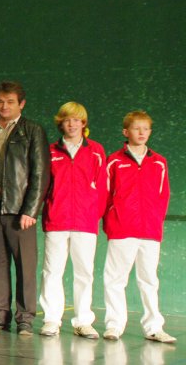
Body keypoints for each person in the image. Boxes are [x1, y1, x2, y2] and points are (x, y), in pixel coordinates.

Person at [102, 111, 176, 343]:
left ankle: (154, 327)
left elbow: (163, 196)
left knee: (149, 280)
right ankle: (114, 325)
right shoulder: (113, 161)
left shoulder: (160, 162)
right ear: (126, 132)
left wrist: (154, 222)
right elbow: (105, 195)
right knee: (115, 279)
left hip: (150, 231)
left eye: (146, 128)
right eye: (136, 128)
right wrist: (112, 223)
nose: (142, 132)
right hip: (122, 230)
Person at [0, 81, 50, 335]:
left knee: (25, 266)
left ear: (21, 104)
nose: (4, 106)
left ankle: (25, 317)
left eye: (10, 101)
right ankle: (0, 313)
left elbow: (40, 173)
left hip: (20, 211)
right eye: (0, 101)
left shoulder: (32, 130)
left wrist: (30, 210)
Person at [39, 102, 106, 338]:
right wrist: (48, 211)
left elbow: (103, 188)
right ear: (61, 123)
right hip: (56, 221)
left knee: (84, 273)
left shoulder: (97, 151)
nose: (72, 124)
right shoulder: (50, 151)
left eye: (76, 120)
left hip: (85, 224)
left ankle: (83, 322)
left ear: (83, 123)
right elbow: (43, 186)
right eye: (67, 120)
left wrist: (92, 215)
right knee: (52, 272)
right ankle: (51, 320)